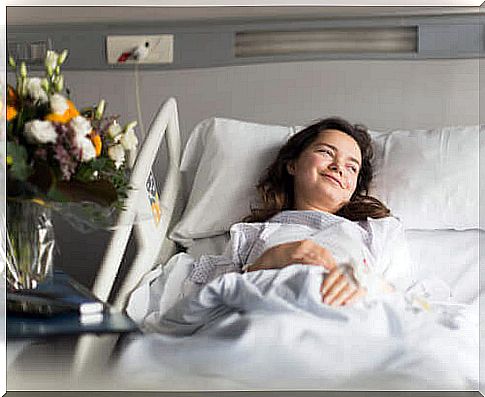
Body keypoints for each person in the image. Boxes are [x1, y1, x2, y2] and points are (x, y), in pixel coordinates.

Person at [186, 117, 413, 307]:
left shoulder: (376, 231)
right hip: (265, 324)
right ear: (292, 165)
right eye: (326, 152)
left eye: (352, 167)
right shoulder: (249, 235)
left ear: (353, 188)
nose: (339, 167)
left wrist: (364, 281)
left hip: (348, 325)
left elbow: (403, 298)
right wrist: (270, 260)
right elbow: (209, 300)